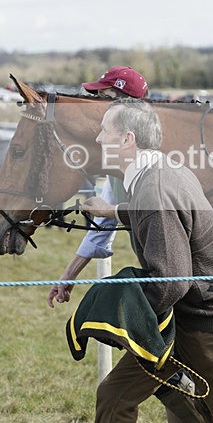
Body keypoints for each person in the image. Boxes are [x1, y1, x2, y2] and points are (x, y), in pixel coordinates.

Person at [81, 99, 213, 422]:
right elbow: (162, 215)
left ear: (128, 139)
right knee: (114, 396)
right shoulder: (163, 171)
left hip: (208, 324)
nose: (98, 139)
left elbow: (171, 281)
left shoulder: (154, 189)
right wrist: (111, 211)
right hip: (178, 319)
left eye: (104, 131)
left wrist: (125, 316)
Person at [47, 66, 148, 308]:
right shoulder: (118, 163)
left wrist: (108, 211)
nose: (95, 105)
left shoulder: (152, 160)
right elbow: (102, 226)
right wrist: (69, 275)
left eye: (102, 98)